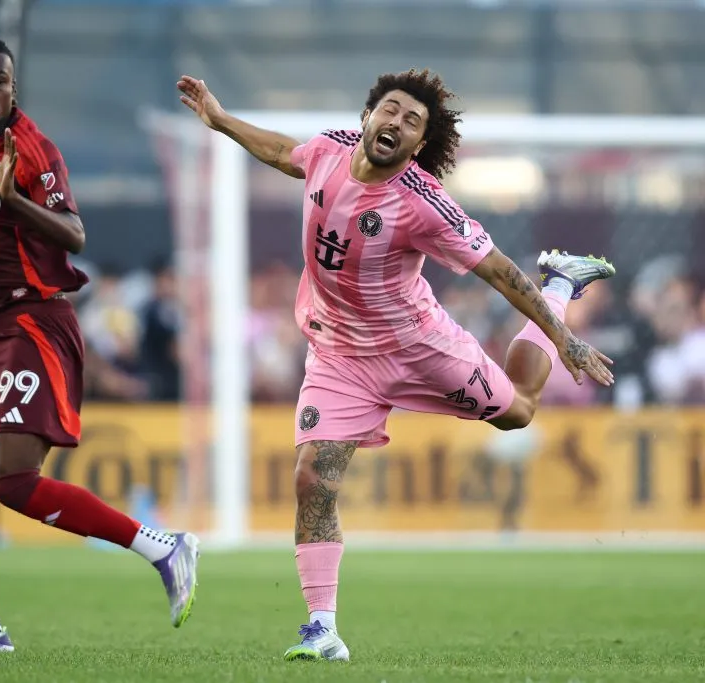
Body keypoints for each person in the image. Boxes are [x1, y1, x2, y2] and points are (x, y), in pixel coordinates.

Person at [178, 69, 616, 662]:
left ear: (418, 146)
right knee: (312, 477)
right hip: (339, 353)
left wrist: (563, 337)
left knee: (519, 411)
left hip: (419, 348)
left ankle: (563, 281)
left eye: (413, 123)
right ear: (367, 116)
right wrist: (221, 119)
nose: (397, 124)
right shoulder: (329, 149)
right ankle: (322, 629)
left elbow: (500, 271)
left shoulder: (422, 203)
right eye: (391, 110)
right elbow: (284, 153)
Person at [0, 38, 199, 653]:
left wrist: (13, 201)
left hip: (36, 324)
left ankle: (163, 547)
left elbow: (76, 236)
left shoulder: (31, 151)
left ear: (13, 87)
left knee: (15, 484)